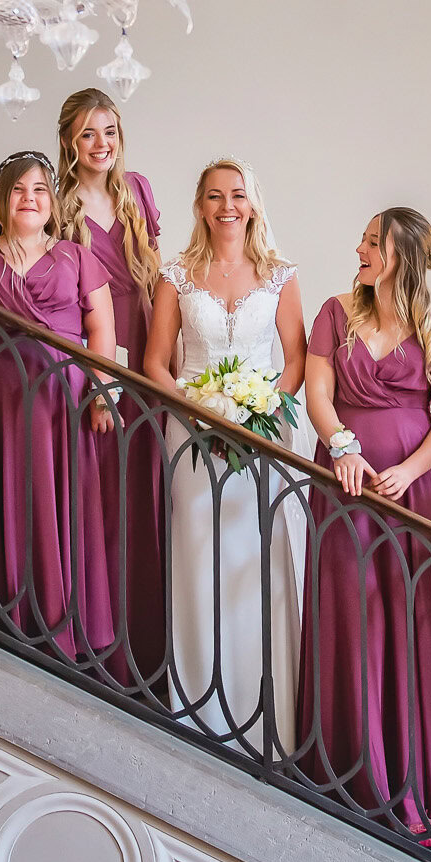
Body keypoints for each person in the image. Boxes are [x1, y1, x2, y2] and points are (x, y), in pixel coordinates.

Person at [297, 209, 431, 835]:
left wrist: (407, 470)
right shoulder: (334, 314)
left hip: (412, 493)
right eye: (364, 240)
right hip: (343, 486)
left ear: (403, 255)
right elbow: (317, 393)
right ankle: (346, 765)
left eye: (373, 242)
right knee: (349, 613)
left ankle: (412, 775)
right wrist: (343, 447)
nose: (360, 249)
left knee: (408, 619)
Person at [143, 158, 306, 755]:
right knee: (200, 558)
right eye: (214, 196)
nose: (226, 206)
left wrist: (263, 411)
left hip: (263, 439)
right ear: (200, 206)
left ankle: (266, 723)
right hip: (191, 435)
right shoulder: (177, 276)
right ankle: (200, 713)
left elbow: (294, 359)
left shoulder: (281, 276)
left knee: (256, 565)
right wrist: (195, 409)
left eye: (237, 195)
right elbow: (156, 361)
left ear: (253, 203)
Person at [0, 152, 119, 670]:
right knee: (2, 497)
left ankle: (62, 622)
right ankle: (0, 613)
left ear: (52, 201)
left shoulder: (76, 255)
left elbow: (103, 333)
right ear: (1, 200)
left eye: (40, 189)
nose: (30, 198)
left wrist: (99, 391)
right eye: (19, 189)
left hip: (61, 402)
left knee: (61, 500)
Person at [57, 87, 166, 694]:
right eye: (89, 134)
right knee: (99, 486)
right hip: (95, 342)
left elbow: (154, 269)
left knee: (143, 482)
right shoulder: (58, 198)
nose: (102, 144)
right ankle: (96, 631)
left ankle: (146, 639)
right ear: (71, 142)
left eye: (110, 131)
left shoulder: (138, 191)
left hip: (143, 333)